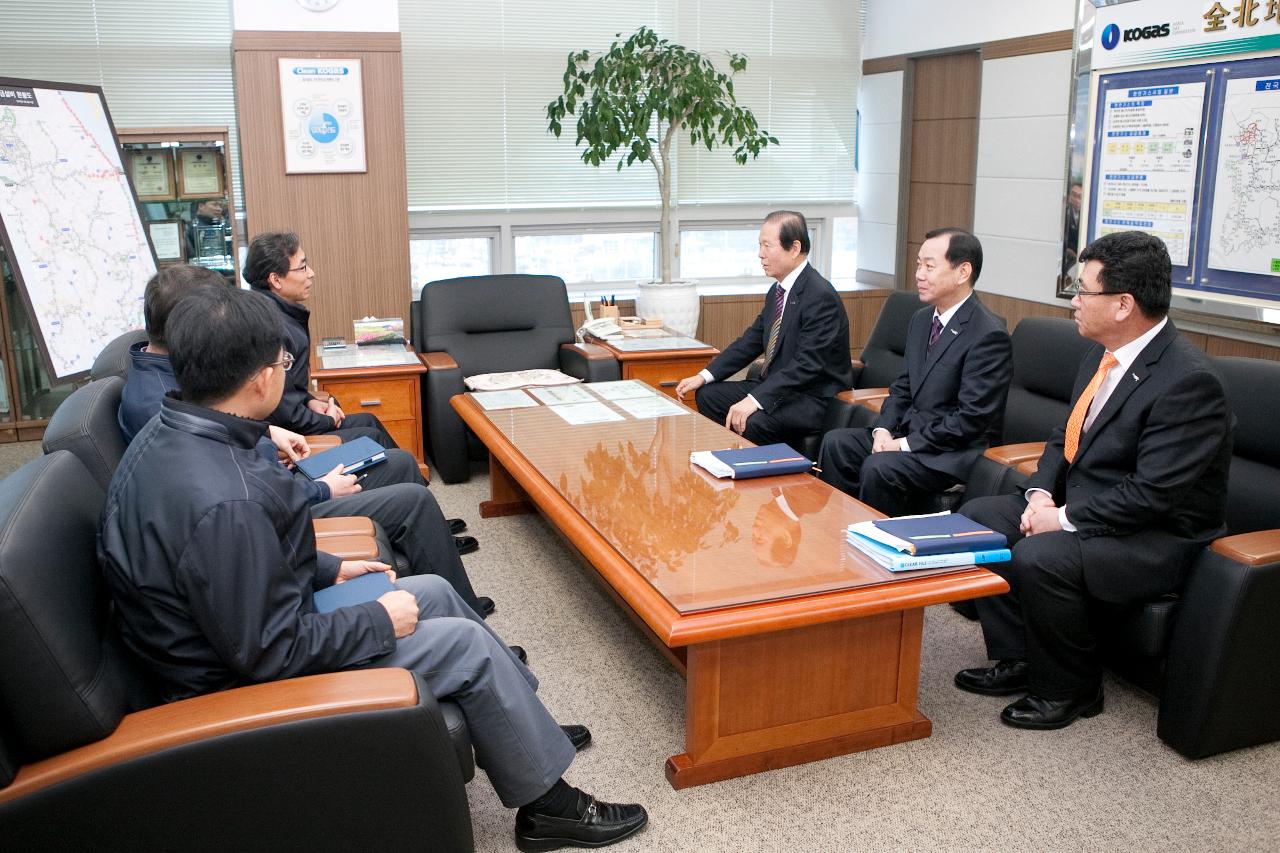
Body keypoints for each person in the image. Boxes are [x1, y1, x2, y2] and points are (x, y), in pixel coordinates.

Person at [100, 284, 648, 850]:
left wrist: (328, 568)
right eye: (282, 363)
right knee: (463, 644)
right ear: (260, 378)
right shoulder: (224, 498)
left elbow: (236, 568)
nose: (284, 372)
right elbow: (266, 651)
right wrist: (380, 622)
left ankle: (522, 725)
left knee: (431, 588)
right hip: (234, 686)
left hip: (236, 635)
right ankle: (549, 808)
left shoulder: (174, 434)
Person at [955, 230, 1232, 730]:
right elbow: (1065, 436)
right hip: (1094, 506)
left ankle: (1072, 689)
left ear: (1124, 304)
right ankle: (1019, 657)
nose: (1074, 301)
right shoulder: (1100, 352)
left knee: (1039, 552)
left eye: (1083, 290)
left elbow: (1153, 494)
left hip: (1156, 536)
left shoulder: (1188, 381)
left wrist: (1060, 518)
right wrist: (1039, 492)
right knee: (980, 519)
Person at [117, 264, 492, 618]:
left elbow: (231, 446)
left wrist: (267, 434)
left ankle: (435, 552)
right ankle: (455, 593)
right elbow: (242, 497)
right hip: (287, 497)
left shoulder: (171, 390)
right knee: (410, 496)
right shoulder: (162, 407)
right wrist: (321, 491)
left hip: (279, 484)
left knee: (392, 455)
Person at [817, 228, 1012, 517]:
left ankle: (878, 548)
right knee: (837, 443)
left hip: (948, 453)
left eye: (929, 266)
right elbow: (904, 386)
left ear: (962, 272)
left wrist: (902, 445)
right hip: (909, 436)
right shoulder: (921, 320)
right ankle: (838, 531)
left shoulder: (988, 334)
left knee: (879, 467)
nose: (919, 274)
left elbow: (970, 420)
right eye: (919, 264)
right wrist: (883, 430)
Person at [674, 211, 852, 445]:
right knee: (709, 395)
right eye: (759, 245)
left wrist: (754, 400)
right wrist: (704, 376)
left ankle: (758, 472)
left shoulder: (820, 296)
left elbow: (806, 366)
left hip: (811, 397)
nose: (760, 254)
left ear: (795, 248)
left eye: (767, 246)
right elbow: (751, 341)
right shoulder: (778, 291)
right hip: (780, 388)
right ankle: (731, 457)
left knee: (754, 419)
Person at [242, 231, 398, 449]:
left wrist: (309, 401)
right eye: (302, 267)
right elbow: (284, 412)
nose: (311, 273)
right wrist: (327, 420)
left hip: (293, 423)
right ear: (276, 279)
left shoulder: (277, 311)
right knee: (372, 438)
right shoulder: (270, 326)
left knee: (368, 421)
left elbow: (288, 390)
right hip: (289, 440)